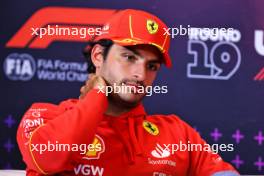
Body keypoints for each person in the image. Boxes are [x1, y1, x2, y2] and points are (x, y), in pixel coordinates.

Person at [17, 9, 240, 176]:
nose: (140, 75)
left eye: (151, 66)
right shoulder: (45, 117)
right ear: (98, 56)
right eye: (129, 57)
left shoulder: (178, 134)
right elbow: (49, 158)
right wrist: (96, 96)